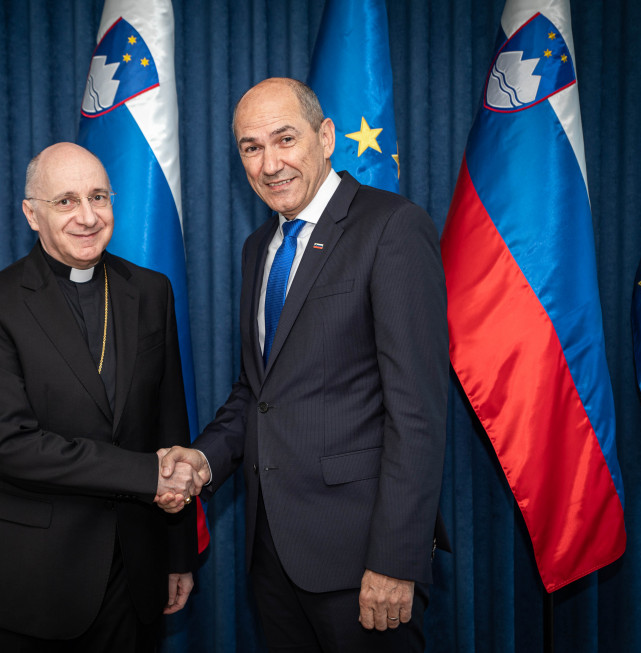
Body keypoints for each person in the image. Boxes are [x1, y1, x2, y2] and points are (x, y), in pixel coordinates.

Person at [159, 78, 449, 652]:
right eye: (251, 147)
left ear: (325, 136)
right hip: (272, 557)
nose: (270, 163)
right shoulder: (257, 248)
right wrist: (201, 458)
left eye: (284, 139)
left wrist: (395, 560)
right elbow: (258, 393)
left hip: (362, 561)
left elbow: (417, 410)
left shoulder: (390, 227)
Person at [0, 142, 201, 652]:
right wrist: (146, 475)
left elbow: (169, 423)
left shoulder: (150, 291)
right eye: (66, 201)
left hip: (133, 572)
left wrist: (177, 553)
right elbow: (11, 446)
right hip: (30, 583)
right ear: (31, 213)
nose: (88, 217)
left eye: (98, 197)